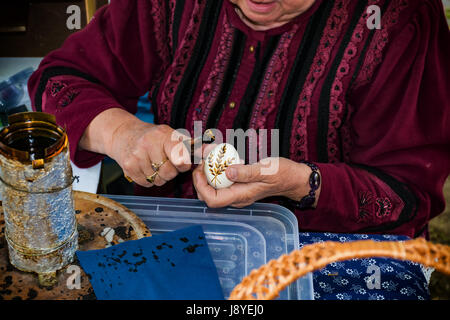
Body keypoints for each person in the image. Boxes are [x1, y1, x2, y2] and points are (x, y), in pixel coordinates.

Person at [28, 0, 450, 299]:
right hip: (175, 228)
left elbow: (406, 191)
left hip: (331, 245)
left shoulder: (396, 17)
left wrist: (302, 184)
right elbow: (60, 80)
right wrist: (123, 134)